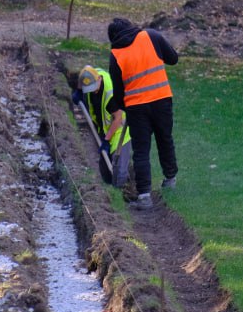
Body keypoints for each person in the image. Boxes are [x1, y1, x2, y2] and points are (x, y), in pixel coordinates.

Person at [106, 17, 179, 210]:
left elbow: (118, 90)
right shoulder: (151, 36)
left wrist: (124, 105)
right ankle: (170, 179)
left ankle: (144, 196)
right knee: (165, 140)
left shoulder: (116, 54)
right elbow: (173, 58)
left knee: (141, 150)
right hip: (162, 99)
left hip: (136, 108)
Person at [71, 64, 130, 186]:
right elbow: (85, 70)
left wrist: (106, 140)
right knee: (105, 169)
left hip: (119, 130)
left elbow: (118, 118)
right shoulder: (92, 75)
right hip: (104, 129)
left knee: (119, 169)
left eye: (94, 88)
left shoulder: (111, 94)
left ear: (99, 80)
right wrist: (78, 90)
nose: (93, 91)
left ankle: (124, 190)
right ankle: (111, 193)